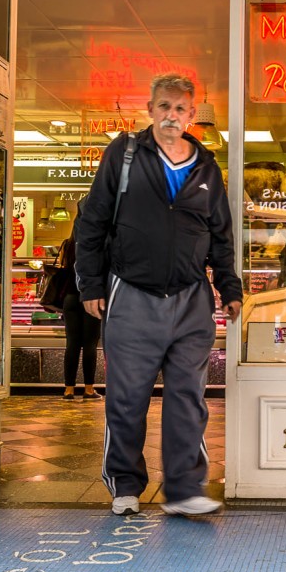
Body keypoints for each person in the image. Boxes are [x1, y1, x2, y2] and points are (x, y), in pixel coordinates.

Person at [74, 73, 243, 517]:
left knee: (188, 398)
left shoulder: (206, 167)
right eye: (164, 106)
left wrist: (229, 287)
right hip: (131, 293)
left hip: (191, 299)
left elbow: (221, 235)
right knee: (127, 397)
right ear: (150, 109)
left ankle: (185, 489)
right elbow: (91, 222)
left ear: (192, 115)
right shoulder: (124, 154)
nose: (172, 115)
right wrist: (90, 283)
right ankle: (125, 484)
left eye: (181, 108)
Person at [59, 197, 102, 401]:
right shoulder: (95, 246)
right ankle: (88, 388)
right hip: (90, 297)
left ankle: (68, 390)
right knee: (91, 344)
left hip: (69, 297)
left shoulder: (68, 245)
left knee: (72, 343)